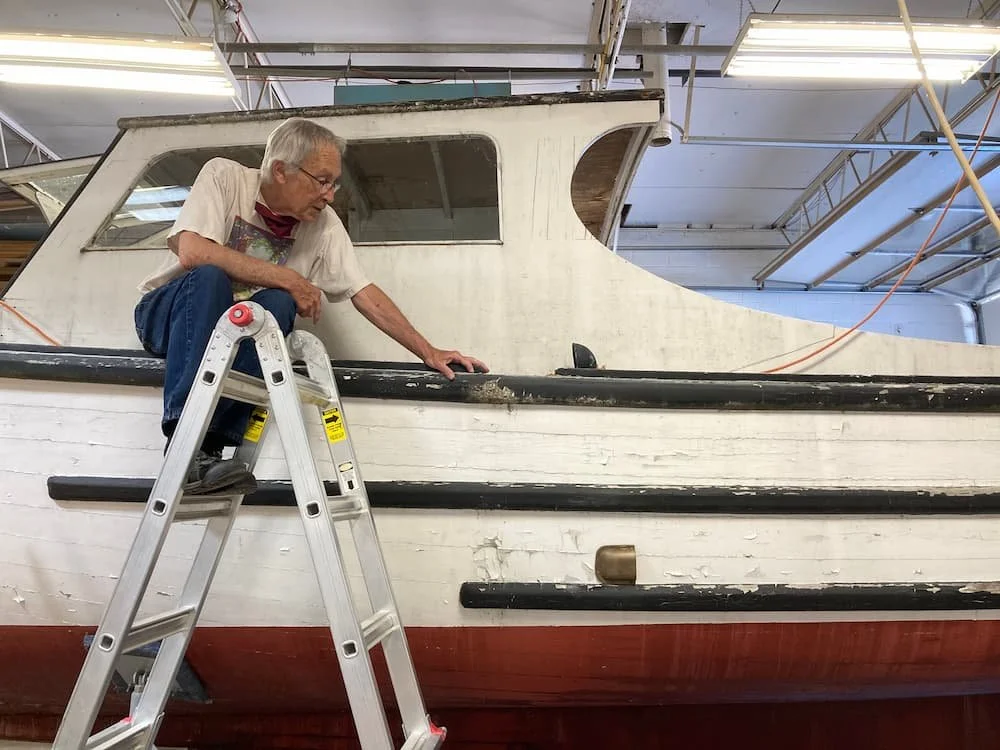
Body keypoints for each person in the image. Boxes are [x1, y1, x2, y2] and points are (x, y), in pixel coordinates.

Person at [134, 117, 487, 495]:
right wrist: (288, 277)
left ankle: (208, 449)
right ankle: (181, 442)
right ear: (281, 171)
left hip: (232, 339)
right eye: (322, 180)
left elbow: (363, 292)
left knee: (276, 306)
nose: (331, 194)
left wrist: (429, 351)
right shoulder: (225, 177)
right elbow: (192, 251)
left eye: (334, 183)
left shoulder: (324, 226)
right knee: (210, 277)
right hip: (171, 317)